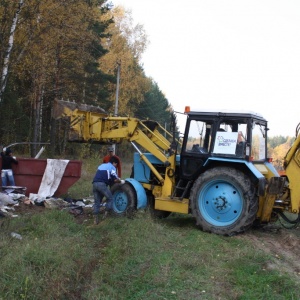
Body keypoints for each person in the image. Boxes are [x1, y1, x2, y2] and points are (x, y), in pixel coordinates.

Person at [92, 156, 125, 224]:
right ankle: (106, 214)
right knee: (110, 199)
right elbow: (115, 179)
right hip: (101, 185)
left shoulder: (101, 165)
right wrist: (121, 181)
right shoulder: (112, 167)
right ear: (114, 163)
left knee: (97, 202)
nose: (116, 166)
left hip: (95, 184)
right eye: (116, 164)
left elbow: (104, 176)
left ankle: (95, 219)